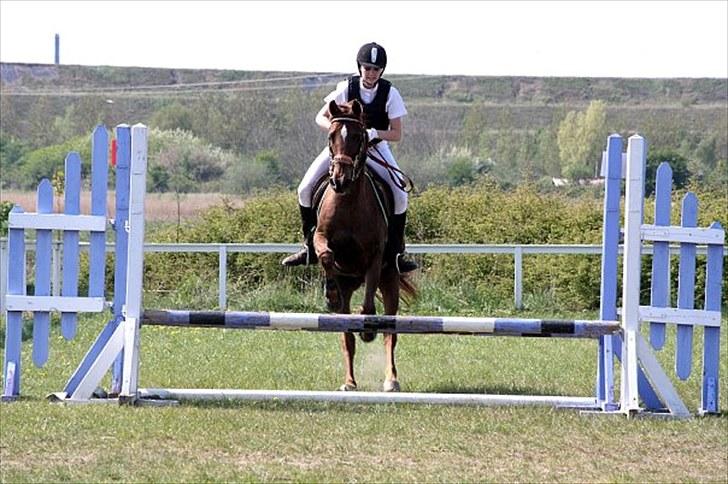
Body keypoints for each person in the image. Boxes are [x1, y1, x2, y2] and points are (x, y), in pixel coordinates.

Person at [281, 42, 418, 273]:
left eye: (376, 69)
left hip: (375, 148)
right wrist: (338, 132)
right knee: (304, 189)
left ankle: (396, 253)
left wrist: (374, 133)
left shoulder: (390, 93)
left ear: (381, 71)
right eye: (367, 68)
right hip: (343, 150)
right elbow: (320, 117)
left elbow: (397, 133)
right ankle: (308, 247)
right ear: (360, 67)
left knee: (400, 195)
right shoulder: (346, 87)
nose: (371, 73)